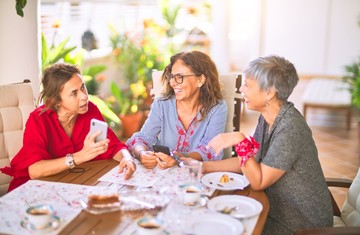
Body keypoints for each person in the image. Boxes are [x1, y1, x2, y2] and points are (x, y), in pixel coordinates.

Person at [205, 55, 333, 235]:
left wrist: (239, 140)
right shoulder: (267, 118)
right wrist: (202, 167)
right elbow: (250, 160)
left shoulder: (291, 128)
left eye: (247, 85)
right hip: (276, 209)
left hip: (301, 226)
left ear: (269, 92)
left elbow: (258, 181)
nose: (241, 89)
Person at [1, 63, 136, 192]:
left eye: (83, 87)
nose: (84, 96)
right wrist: (80, 156)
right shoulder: (38, 120)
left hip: (75, 183)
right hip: (35, 189)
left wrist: (126, 158)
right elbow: (35, 170)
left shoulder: (90, 111)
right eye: (74, 93)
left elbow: (114, 147)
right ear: (55, 101)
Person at [126, 51, 227, 169]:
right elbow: (142, 138)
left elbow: (210, 149)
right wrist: (141, 153)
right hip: (163, 174)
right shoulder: (162, 104)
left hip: (198, 174)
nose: (172, 83)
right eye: (172, 77)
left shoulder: (217, 108)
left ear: (200, 80)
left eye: (179, 77)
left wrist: (177, 158)